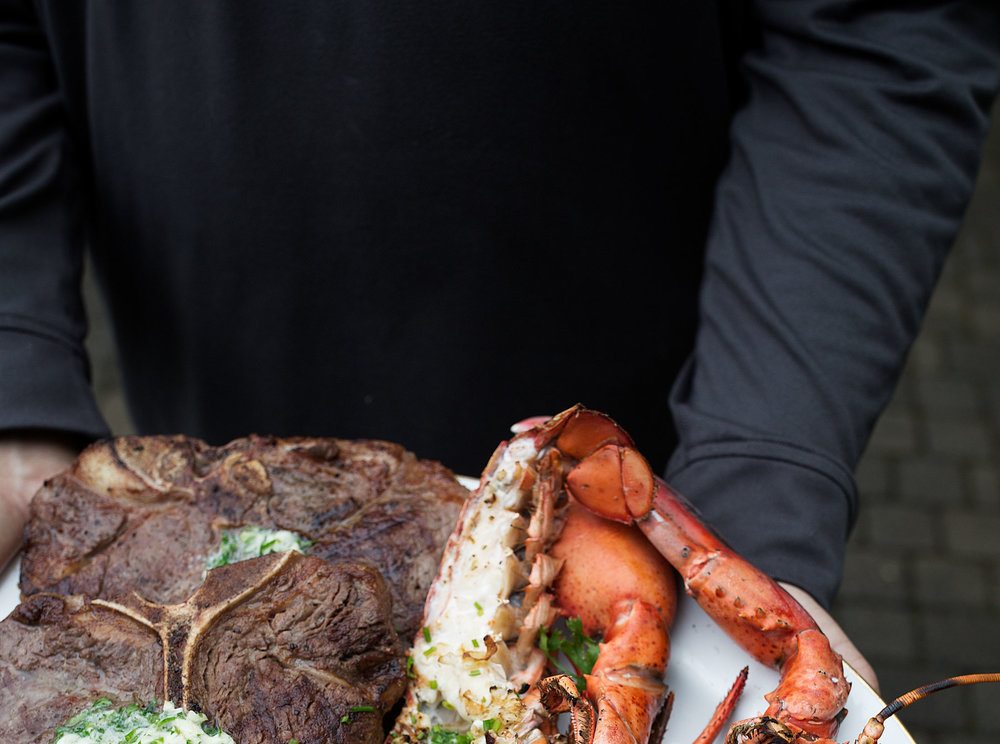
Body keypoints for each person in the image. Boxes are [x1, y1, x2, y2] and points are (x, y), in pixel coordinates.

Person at [1, 2, 998, 687]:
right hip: (214, 440)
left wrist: (755, 492)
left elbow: (869, 33)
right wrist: (17, 380)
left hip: (635, 478)